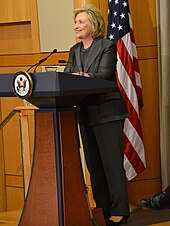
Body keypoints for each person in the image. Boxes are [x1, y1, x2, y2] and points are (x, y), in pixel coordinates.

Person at [64, 5, 130, 226]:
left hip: (107, 112)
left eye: (81, 21)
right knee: (94, 166)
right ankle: (103, 210)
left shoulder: (107, 46)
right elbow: (66, 77)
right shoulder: (74, 50)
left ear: (94, 24)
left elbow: (103, 75)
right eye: (76, 22)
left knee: (112, 165)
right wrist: (79, 76)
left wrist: (80, 75)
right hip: (85, 112)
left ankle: (120, 211)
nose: (76, 26)